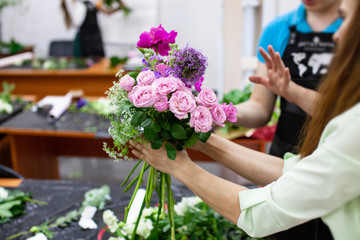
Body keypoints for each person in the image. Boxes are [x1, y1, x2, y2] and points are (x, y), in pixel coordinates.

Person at [129, 0, 360, 239]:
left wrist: (179, 166)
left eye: (347, 21)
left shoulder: (351, 132)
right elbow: (293, 170)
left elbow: (263, 213)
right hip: (293, 148)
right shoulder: (279, 28)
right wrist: (205, 131)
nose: (337, 36)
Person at [235, 0, 342, 158]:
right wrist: (221, 112)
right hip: (284, 158)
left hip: (338, 157)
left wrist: (294, 91)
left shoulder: (352, 30)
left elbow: (346, 112)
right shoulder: (277, 28)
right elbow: (260, 107)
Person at [61, 0, 128, 57]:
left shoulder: (92, 3)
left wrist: (119, 7)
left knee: (99, 61)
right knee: (84, 63)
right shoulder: (76, 5)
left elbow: (108, 13)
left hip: (96, 38)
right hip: (84, 39)